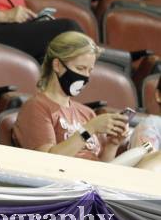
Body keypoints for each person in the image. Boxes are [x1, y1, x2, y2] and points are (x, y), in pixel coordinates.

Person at [14, 31, 161, 171]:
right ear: (57, 65)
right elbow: (47, 162)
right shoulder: (36, 107)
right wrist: (89, 129)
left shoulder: (87, 113)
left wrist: (112, 144)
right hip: (64, 183)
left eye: (89, 70)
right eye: (80, 68)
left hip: (94, 182)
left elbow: (103, 167)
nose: (85, 76)